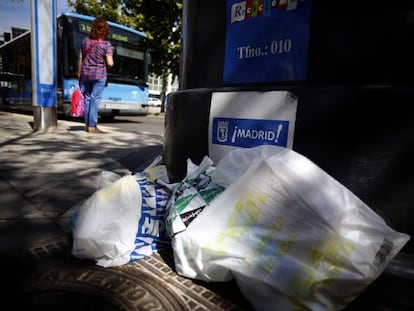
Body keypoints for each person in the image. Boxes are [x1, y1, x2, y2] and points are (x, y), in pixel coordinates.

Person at [77, 17, 114, 133]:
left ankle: (87, 125)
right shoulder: (106, 44)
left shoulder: (85, 41)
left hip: (85, 73)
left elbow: (80, 58)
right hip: (99, 75)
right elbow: (110, 63)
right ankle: (93, 126)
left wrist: (79, 72)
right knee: (95, 99)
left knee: (87, 98)